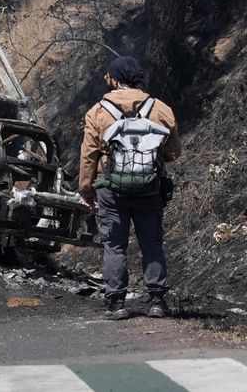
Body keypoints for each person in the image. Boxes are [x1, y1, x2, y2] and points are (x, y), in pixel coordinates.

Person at [79, 56, 180, 320]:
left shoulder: (98, 112)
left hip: (111, 191)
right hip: (150, 189)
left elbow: (89, 154)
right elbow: (173, 151)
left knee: (115, 246)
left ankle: (116, 303)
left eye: (108, 76)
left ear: (114, 79)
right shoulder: (161, 109)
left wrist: (86, 189)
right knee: (152, 243)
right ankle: (157, 301)